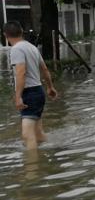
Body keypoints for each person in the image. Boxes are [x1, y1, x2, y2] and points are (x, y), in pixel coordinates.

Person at [4, 21, 58, 150]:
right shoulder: (31, 47)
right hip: (38, 91)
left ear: (5, 35)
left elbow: (21, 73)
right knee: (38, 134)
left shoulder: (16, 49)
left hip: (29, 93)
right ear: (22, 32)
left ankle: (32, 168)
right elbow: (44, 69)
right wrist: (50, 87)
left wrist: (18, 97)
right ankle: (53, 153)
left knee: (27, 135)